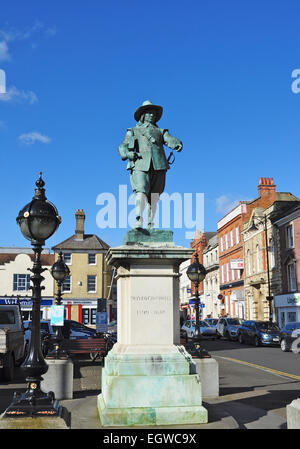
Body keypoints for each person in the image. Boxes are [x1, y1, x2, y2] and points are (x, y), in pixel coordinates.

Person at [118, 100, 183, 229]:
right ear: (143, 115)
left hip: (159, 165)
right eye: (149, 113)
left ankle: (150, 223)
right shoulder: (134, 130)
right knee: (141, 190)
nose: (152, 116)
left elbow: (169, 139)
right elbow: (122, 146)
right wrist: (127, 154)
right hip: (140, 163)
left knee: (155, 196)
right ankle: (138, 218)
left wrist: (176, 143)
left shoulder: (161, 131)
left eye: (153, 113)